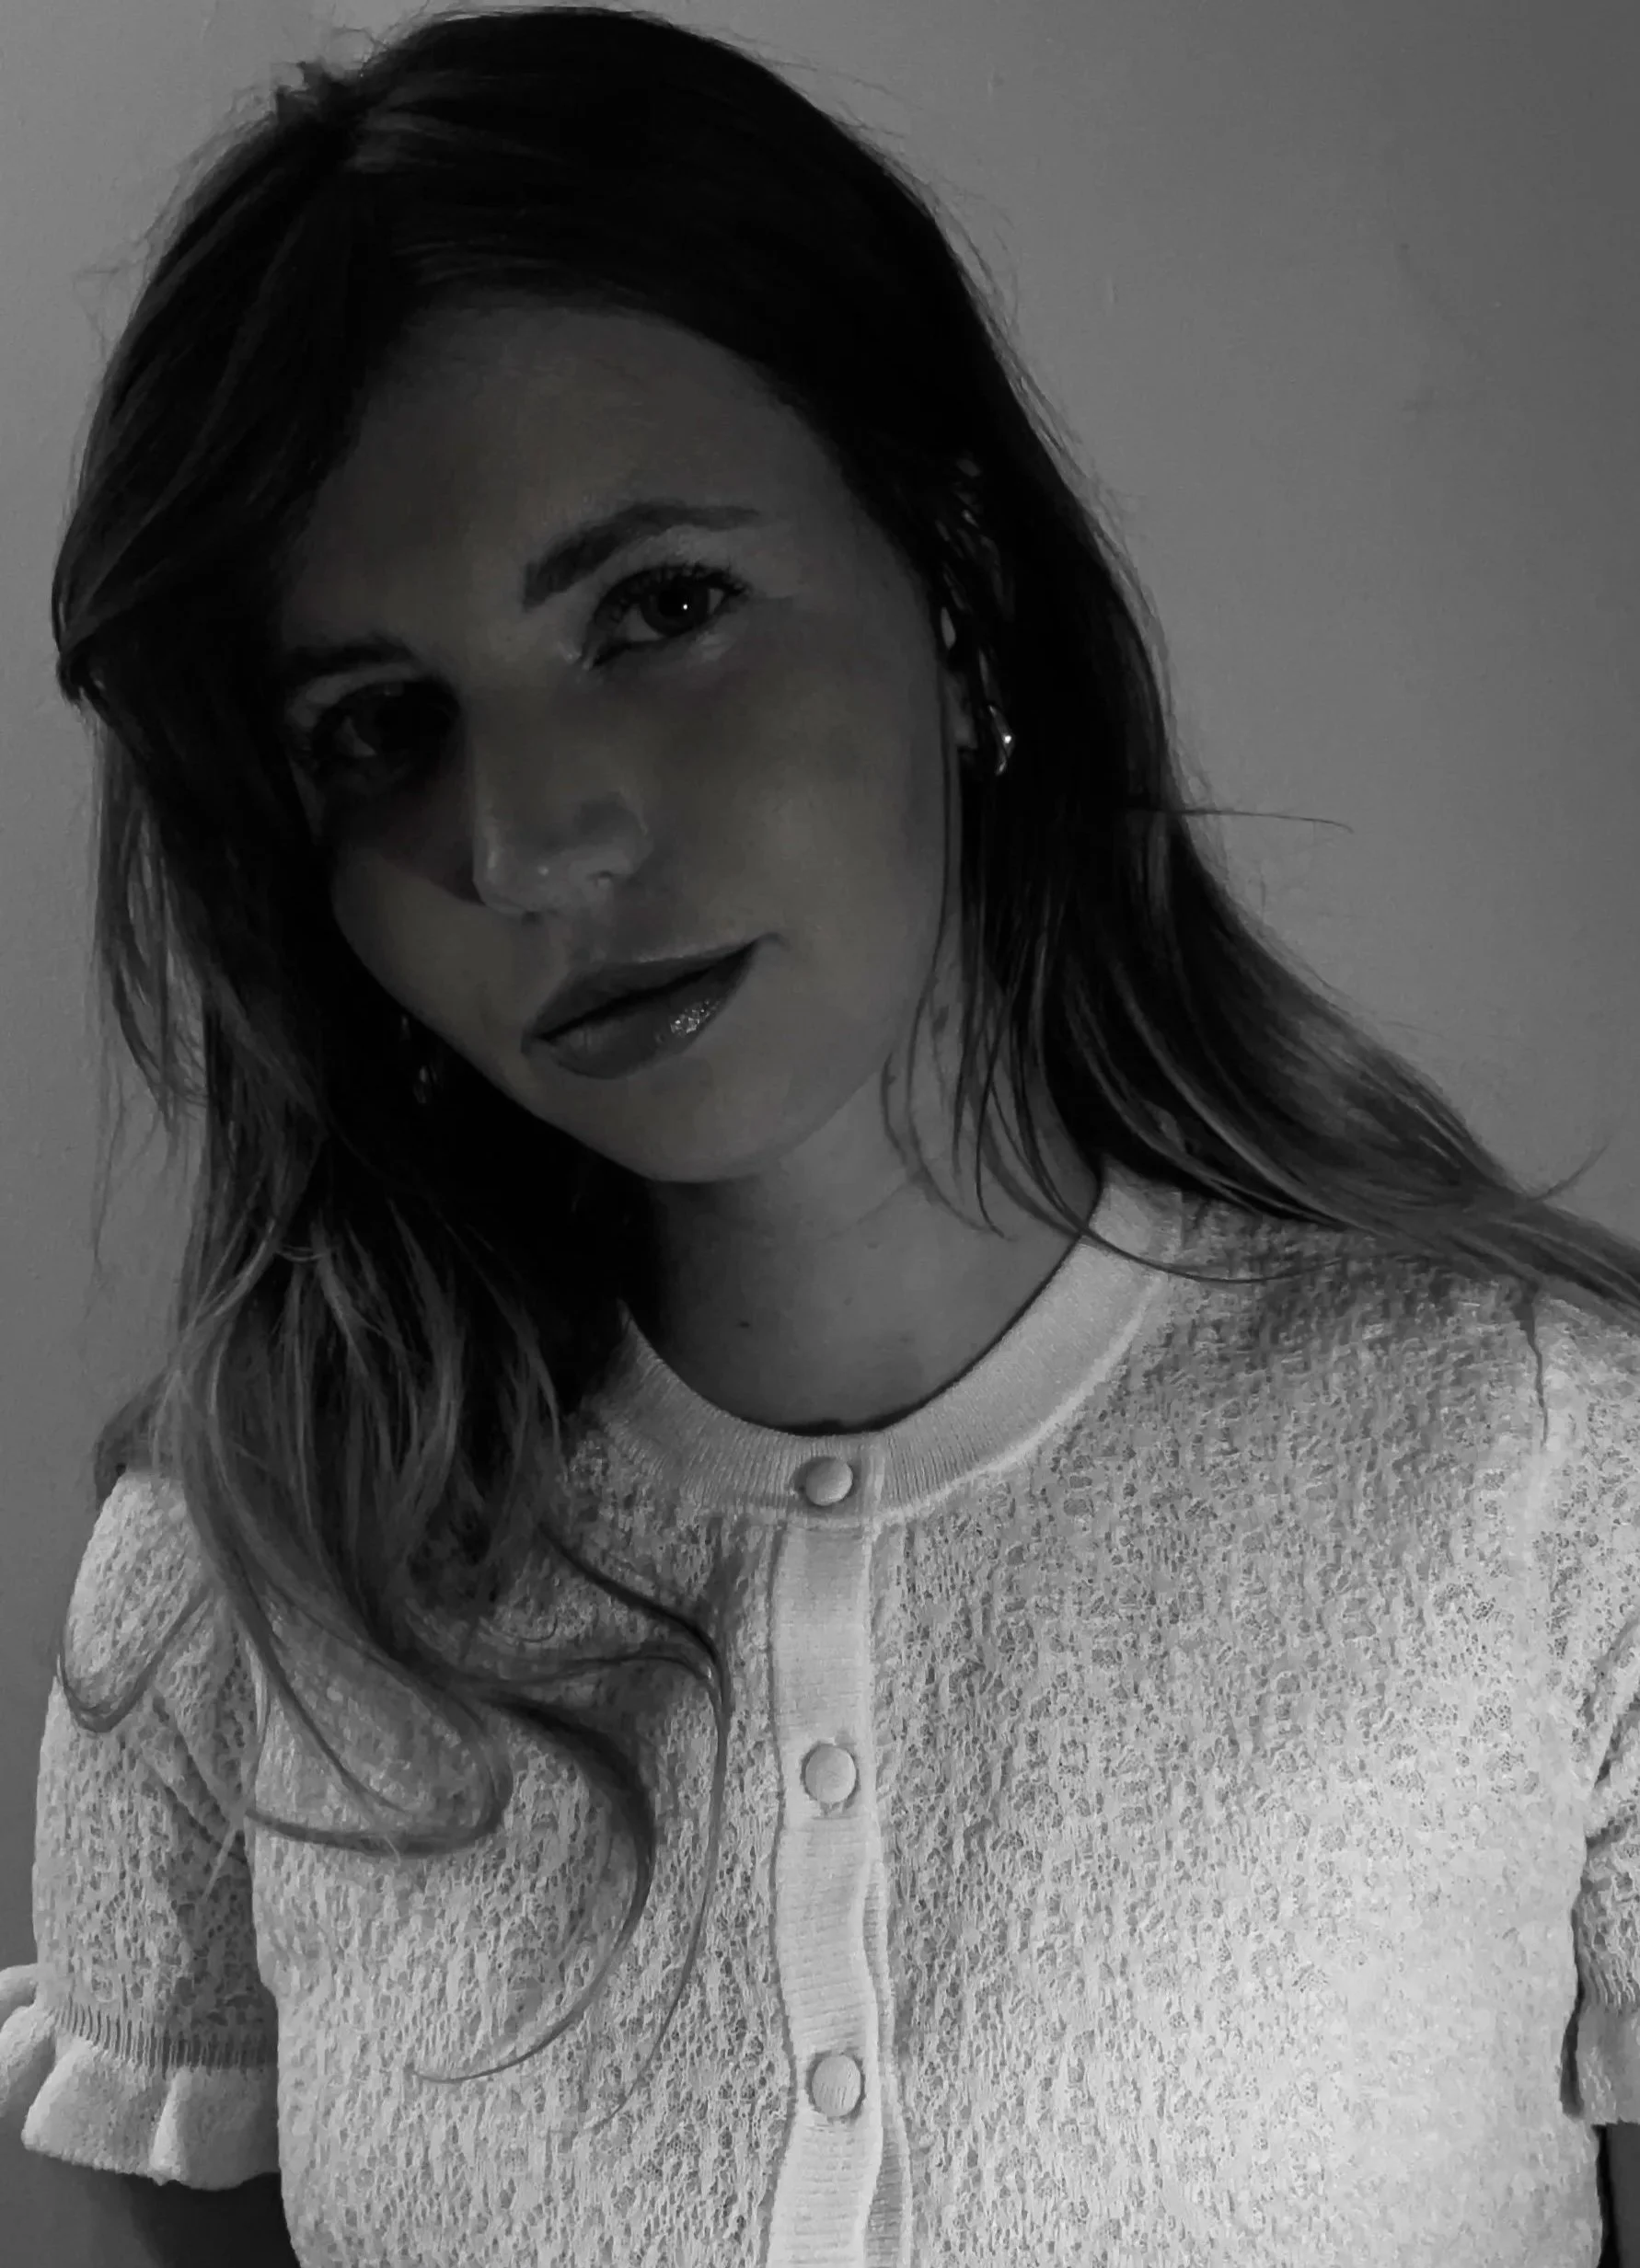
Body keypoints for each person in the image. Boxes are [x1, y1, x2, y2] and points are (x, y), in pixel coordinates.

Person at [4, 10, 1639, 2265]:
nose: (536, 838)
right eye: (379, 729)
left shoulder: (1551, 1474)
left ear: (951, 569)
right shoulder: (247, 1585)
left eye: (656, 607)